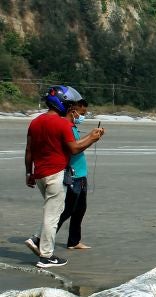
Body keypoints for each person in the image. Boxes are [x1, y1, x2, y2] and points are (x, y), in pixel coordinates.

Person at [24, 85, 105, 268]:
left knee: (52, 212)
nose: (70, 108)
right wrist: (92, 138)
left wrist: (29, 172)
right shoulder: (62, 123)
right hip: (55, 174)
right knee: (52, 215)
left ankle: (42, 247)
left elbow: (29, 150)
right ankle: (46, 256)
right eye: (69, 105)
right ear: (61, 103)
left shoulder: (35, 122)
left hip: (40, 174)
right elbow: (74, 148)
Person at [55, 98, 92, 250]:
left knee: (80, 209)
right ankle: (40, 238)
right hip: (73, 175)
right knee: (67, 210)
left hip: (81, 175)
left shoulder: (73, 127)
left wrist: (91, 136)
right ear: (73, 109)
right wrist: (92, 139)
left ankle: (74, 241)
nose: (82, 116)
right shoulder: (65, 127)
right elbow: (74, 149)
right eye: (81, 113)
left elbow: (77, 144)